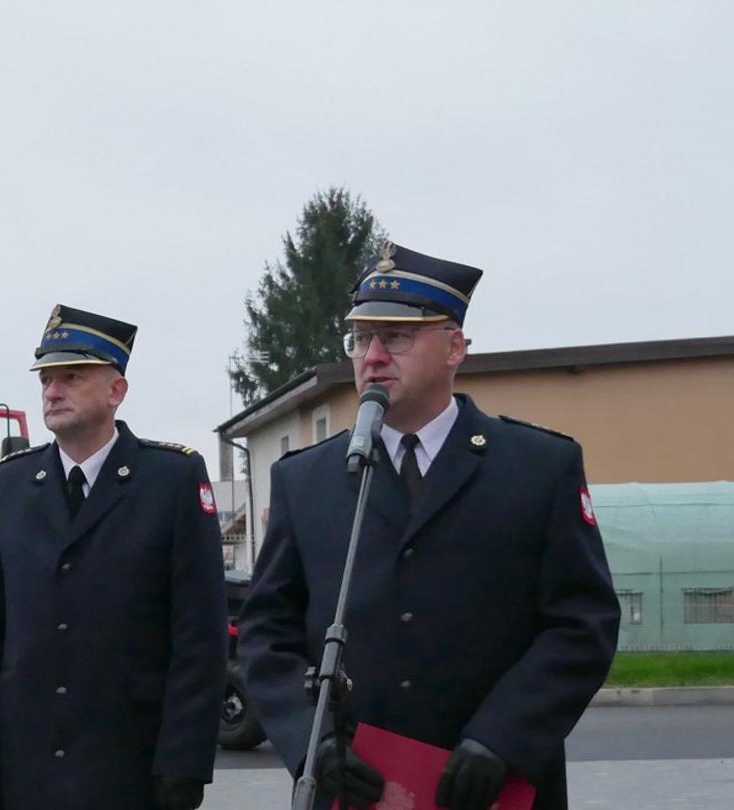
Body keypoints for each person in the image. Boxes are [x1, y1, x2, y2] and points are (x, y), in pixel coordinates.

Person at [238, 241, 620, 810]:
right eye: (362, 338)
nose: (372, 355)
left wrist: (504, 737)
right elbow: (268, 631)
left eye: (397, 336)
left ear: (455, 348)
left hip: (491, 784)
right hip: (357, 787)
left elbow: (581, 622)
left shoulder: (537, 467)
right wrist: (311, 742)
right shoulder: (308, 479)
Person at [0, 305, 225, 810]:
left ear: (116, 391)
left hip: (128, 761)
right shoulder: (11, 484)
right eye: (46, 380)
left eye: (70, 377)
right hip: (26, 765)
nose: (52, 391)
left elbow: (199, 636)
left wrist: (184, 761)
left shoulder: (171, 478)